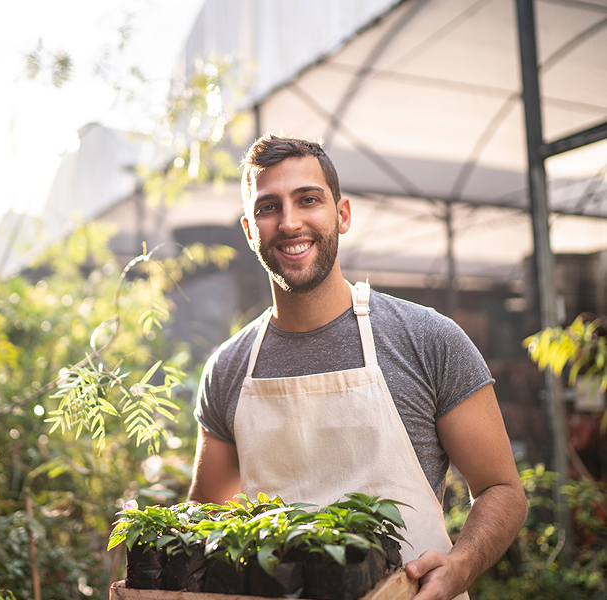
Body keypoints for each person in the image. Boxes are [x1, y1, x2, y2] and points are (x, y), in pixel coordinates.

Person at [187, 133, 528, 600]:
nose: (289, 223)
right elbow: (209, 517)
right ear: (250, 231)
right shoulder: (228, 369)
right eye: (268, 207)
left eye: (308, 200)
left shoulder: (427, 339)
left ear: (341, 215)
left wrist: (460, 567)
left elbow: (501, 488)